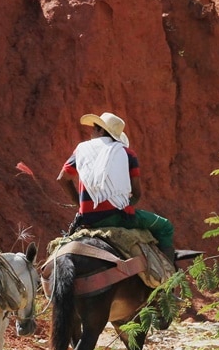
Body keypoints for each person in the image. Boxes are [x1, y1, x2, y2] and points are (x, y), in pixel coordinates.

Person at [56, 111, 176, 266]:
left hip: (86, 218)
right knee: (166, 226)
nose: (92, 132)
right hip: (117, 217)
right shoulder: (127, 154)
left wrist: (79, 204)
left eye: (94, 128)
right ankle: (167, 283)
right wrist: (123, 205)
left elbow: (62, 179)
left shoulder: (81, 150)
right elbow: (137, 194)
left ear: (100, 130)